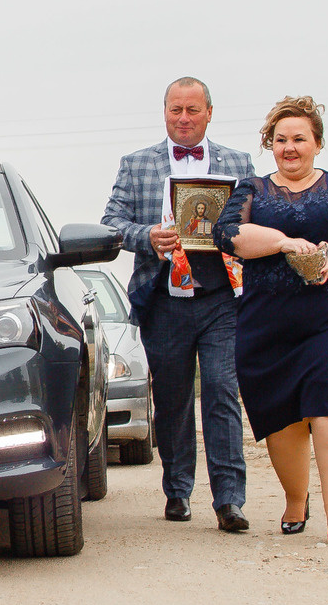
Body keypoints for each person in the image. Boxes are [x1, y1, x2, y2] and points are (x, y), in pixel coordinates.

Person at [214, 96, 328, 543]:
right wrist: (283, 242)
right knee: (283, 418)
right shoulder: (252, 189)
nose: (289, 148)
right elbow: (227, 234)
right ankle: (297, 500)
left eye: (299, 139)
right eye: (280, 140)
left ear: (317, 143)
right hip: (268, 324)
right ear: (270, 145)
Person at [103, 78, 255, 530]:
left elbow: (254, 221)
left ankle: (230, 500)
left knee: (223, 393)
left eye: (192, 110)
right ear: (164, 112)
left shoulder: (240, 162)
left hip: (223, 298)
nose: (183, 119)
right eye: (175, 110)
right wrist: (146, 236)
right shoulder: (136, 165)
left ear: (210, 112)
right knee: (171, 399)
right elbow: (112, 223)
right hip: (164, 298)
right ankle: (178, 490)